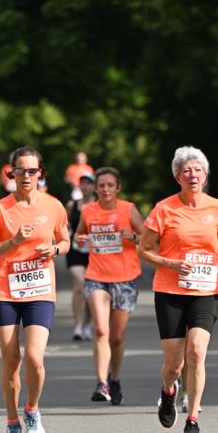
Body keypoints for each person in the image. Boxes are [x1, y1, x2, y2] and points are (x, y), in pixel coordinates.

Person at [138, 146, 218, 433]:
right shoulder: (164, 209)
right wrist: (171, 263)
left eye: (198, 170)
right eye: (186, 171)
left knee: (196, 352)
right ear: (177, 177)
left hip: (206, 290)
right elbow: (143, 250)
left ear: (205, 175)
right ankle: (168, 391)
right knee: (174, 365)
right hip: (170, 291)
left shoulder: (217, 207)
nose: (193, 175)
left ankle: (193, 420)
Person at [0, 146, 70, 433]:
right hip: (4, 290)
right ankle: (11, 422)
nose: (26, 175)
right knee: (11, 359)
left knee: (34, 357)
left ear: (40, 173)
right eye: (21, 170)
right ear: (12, 172)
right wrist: (13, 241)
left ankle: (32, 409)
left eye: (32, 170)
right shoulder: (0, 209)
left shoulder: (54, 206)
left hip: (40, 290)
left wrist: (55, 249)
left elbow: (65, 240)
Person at [75, 166, 144, 404]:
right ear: (95, 188)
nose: (105, 189)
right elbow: (79, 235)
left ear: (118, 188)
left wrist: (132, 237)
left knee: (116, 337)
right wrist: (80, 239)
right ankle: (101, 382)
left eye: (110, 185)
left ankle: (115, 378)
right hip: (97, 276)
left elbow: (147, 238)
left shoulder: (128, 209)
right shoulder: (88, 210)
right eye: (101, 185)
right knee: (101, 330)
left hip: (125, 278)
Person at [66, 173, 96, 341]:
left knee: (92, 288)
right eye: (83, 183)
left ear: (94, 187)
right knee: (80, 285)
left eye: (89, 183)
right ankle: (77, 325)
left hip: (95, 252)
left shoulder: (100, 206)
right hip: (76, 250)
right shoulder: (73, 205)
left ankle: (87, 325)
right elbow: (66, 224)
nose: (86, 187)